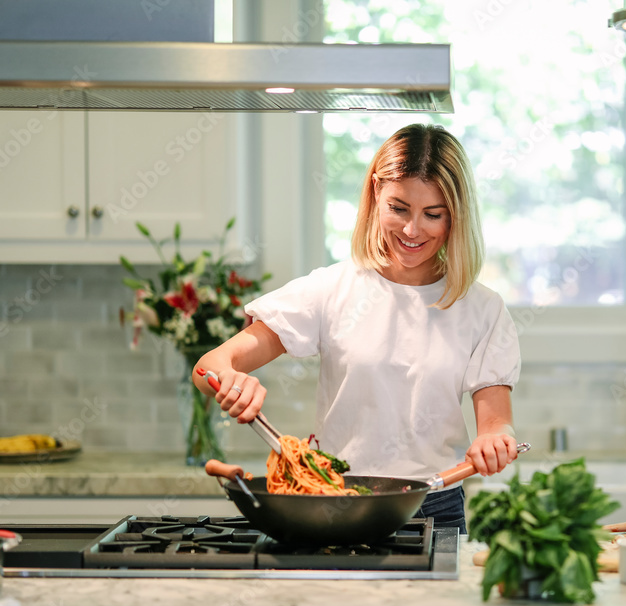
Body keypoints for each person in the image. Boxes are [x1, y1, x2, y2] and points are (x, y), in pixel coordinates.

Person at [192, 123, 521, 533]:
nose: (412, 230)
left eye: (433, 215)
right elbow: (209, 367)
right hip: (333, 500)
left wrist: (495, 439)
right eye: (398, 208)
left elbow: (495, 423)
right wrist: (229, 380)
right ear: (375, 193)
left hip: (435, 506)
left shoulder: (482, 308)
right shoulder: (332, 289)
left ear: (457, 216)